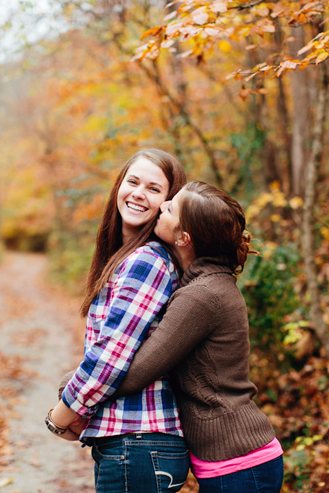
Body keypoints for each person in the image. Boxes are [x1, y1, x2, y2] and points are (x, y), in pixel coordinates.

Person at [113, 181, 284, 493]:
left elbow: (136, 373)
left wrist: (77, 383)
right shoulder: (207, 285)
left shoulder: (201, 296)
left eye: (171, 208)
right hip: (234, 463)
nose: (162, 206)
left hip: (241, 465)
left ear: (184, 238)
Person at [45, 149, 190, 493]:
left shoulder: (147, 261)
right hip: (137, 445)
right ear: (118, 188)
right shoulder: (126, 259)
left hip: (139, 443)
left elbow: (110, 358)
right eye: (133, 181)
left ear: (168, 206)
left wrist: (59, 417)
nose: (139, 193)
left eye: (154, 189)